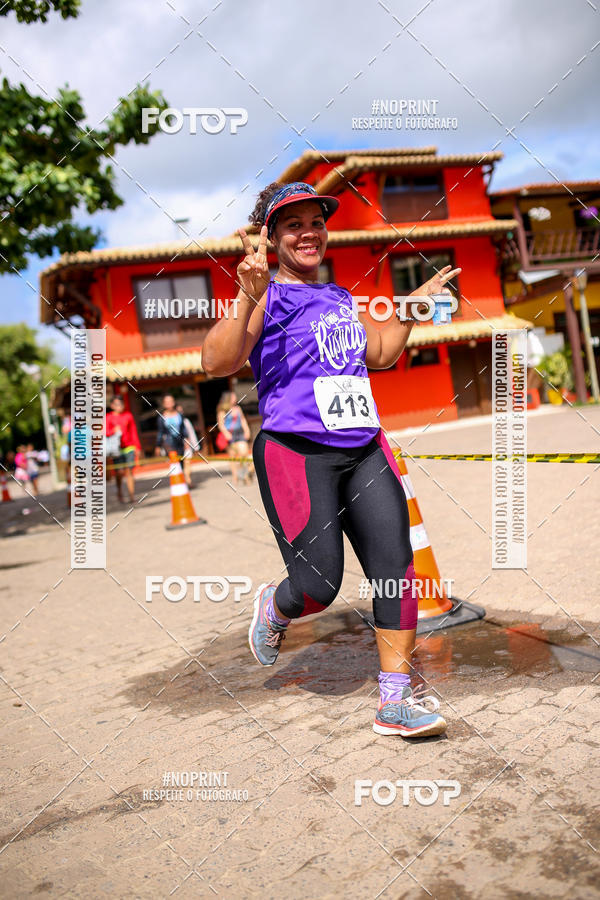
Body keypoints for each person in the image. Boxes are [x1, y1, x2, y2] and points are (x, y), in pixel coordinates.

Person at [202, 181, 460, 739]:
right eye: (292, 224)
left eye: (315, 221)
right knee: (318, 585)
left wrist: (411, 309)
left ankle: (395, 702)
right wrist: (247, 295)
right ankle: (275, 606)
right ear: (271, 238)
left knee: (396, 573)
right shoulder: (265, 296)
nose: (307, 232)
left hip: (364, 449)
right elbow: (216, 361)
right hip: (297, 453)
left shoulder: (342, 299)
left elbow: (382, 354)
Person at [106, 396, 141, 503]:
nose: (119, 407)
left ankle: (131, 495)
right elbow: (104, 432)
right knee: (120, 472)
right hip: (116, 449)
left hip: (129, 447)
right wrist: (113, 431)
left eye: (121, 404)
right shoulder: (108, 417)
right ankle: (120, 491)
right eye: (116, 404)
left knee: (129, 471)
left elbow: (133, 432)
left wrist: (137, 447)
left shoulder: (128, 416)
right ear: (112, 406)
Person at [216, 391, 253, 486]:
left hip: (240, 433)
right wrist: (226, 433)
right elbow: (221, 424)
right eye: (233, 397)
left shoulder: (238, 408)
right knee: (232, 457)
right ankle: (235, 476)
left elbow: (243, 420)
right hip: (230, 434)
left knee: (243, 454)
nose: (235, 398)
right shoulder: (222, 410)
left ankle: (244, 473)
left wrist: (247, 430)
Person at [154, 395, 191, 485]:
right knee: (174, 462)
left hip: (180, 442)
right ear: (164, 404)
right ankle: (177, 482)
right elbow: (160, 432)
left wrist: (186, 441)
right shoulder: (161, 418)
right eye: (167, 402)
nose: (169, 403)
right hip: (168, 443)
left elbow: (183, 429)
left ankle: (183, 481)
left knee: (181, 462)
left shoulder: (179, 415)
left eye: (171, 401)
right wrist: (158, 446)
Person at [176, 403, 201, 487]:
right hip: (176, 447)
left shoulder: (186, 421)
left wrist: (196, 446)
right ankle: (182, 481)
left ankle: (188, 480)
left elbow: (191, 434)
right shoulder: (170, 422)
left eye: (181, 411)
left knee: (187, 463)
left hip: (187, 446)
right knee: (178, 465)